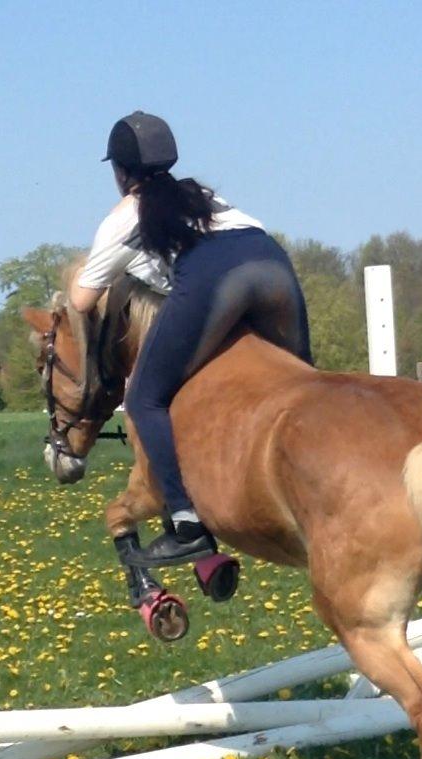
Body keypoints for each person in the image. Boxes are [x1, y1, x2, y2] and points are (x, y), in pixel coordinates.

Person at [70, 110, 312, 566]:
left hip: (217, 276)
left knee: (143, 400)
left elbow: (83, 301)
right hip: (272, 260)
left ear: (121, 174)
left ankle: (185, 523)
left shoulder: (125, 215)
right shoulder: (202, 195)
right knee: (304, 390)